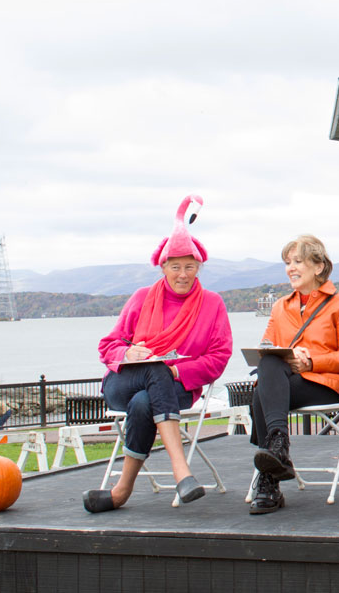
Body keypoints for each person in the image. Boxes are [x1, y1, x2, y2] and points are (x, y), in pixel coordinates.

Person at [82, 195, 232, 513]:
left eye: (189, 266)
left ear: (199, 267)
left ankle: (120, 492)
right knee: (154, 371)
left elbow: (220, 356)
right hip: (123, 382)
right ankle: (182, 470)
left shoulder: (213, 304)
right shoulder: (141, 297)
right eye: (175, 266)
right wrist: (129, 351)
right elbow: (108, 346)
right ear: (163, 266)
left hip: (177, 388)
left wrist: (179, 372)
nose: (182, 274)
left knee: (145, 401)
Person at [249, 235, 339, 515]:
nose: (291, 268)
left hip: (326, 384)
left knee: (260, 396)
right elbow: (266, 350)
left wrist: (312, 361)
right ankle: (278, 446)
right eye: (287, 263)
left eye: (298, 261)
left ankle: (269, 478)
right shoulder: (280, 307)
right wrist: (285, 356)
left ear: (319, 266)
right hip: (287, 383)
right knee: (268, 364)